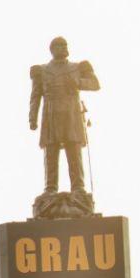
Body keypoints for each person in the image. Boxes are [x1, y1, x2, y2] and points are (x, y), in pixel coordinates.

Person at [29, 36, 100, 195]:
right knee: (51, 151)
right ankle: (50, 188)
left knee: (73, 149)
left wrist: (79, 83)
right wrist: (32, 118)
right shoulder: (42, 70)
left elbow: (95, 84)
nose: (64, 48)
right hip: (51, 113)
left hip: (71, 112)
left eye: (65, 45)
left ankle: (78, 187)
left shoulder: (78, 67)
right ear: (52, 49)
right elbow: (35, 95)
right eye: (60, 45)